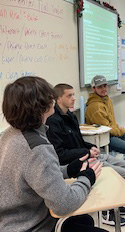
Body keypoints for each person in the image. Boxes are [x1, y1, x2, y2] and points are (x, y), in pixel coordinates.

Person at [0, 76, 104, 232]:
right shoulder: (37, 147)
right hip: (31, 225)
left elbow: (33, 174)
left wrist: (68, 170)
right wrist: (87, 178)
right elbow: (64, 204)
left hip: (12, 219)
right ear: (40, 106)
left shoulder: (11, 134)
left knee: (85, 219)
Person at [46, 83, 125, 226]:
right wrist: (86, 152)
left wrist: (91, 147)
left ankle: (113, 202)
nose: (74, 98)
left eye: (73, 95)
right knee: (123, 174)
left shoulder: (71, 116)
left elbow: (80, 141)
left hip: (88, 155)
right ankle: (108, 211)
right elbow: (60, 154)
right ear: (58, 99)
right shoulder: (53, 122)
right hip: (77, 162)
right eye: (69, 96)